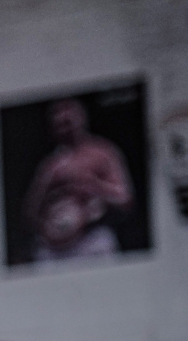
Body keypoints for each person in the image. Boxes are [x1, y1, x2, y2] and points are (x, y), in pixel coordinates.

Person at [25, 98, 134, 262]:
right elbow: (30, 214)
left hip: (93, 240)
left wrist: (91, 185)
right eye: (59, 123)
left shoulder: (103, 153)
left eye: (68, 121)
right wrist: (47, 188)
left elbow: (125, 198)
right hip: (55, 247)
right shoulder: (50, 165)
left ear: (81, 119)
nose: (65, 127)